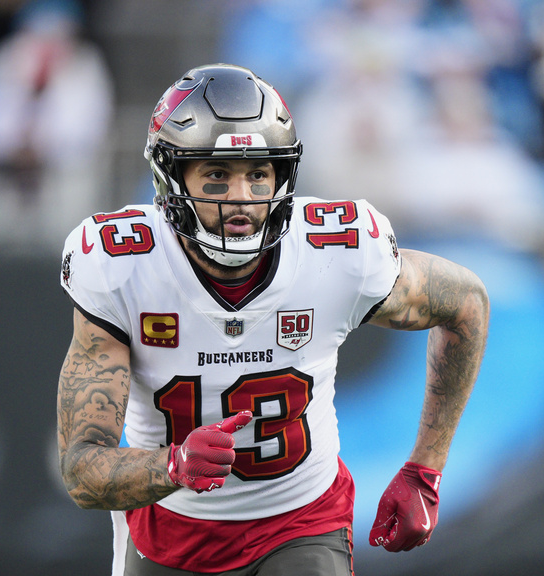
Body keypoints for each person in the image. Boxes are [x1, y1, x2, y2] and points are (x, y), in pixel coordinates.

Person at [57, 64, 489, 576]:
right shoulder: (124, 266)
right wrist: (172, 464)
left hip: (302, 519)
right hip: (172, 530)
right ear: (170, 178)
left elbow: (467, 303)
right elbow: (83, 469)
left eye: (259, 173)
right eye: (217, 174)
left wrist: (426, 468)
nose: (242, 196)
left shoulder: (335, 251)